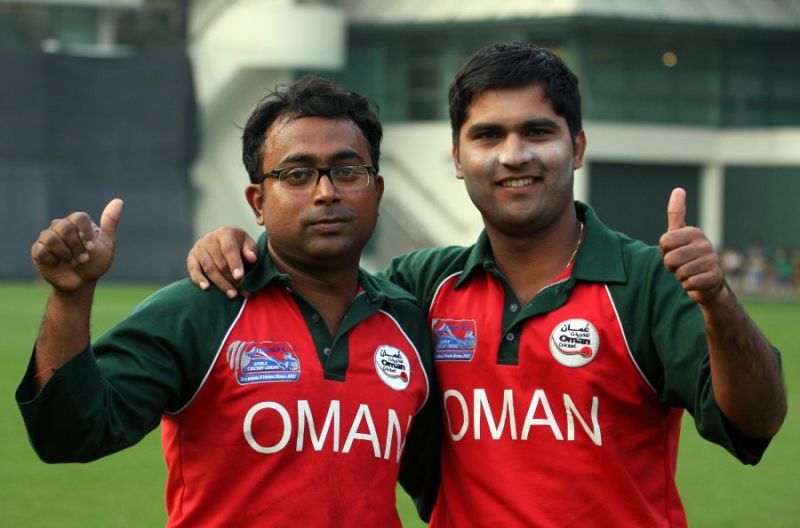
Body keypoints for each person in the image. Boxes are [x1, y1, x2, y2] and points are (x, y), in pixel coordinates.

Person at [186, 43, 787, 526]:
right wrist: (243, 247)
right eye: (488, 136)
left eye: (538, 132)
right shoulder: (421, 285)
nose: (513, 155)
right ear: (457, 156)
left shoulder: (644, 280)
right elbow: (317, 285)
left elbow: (757, 422)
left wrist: (718, 300)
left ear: (575, 147)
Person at [16, 76, 439, 527]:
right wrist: (71, 295)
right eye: (296, 175)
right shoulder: (200, 309)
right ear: (258, 202)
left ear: (376, 190)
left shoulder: (407, 320)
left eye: (347, 171)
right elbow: (70, 435)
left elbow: (441, 484)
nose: (326, 192)